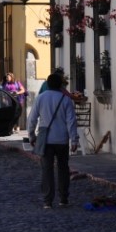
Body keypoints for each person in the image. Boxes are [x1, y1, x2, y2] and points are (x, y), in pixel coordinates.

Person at [27, 71, 79, 209]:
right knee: (63, 169)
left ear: (48, 84)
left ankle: (47, 200)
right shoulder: (65, 99)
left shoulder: (41, 98)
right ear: (61, 85)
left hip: (46, 141)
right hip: (62, 139)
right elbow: (71, 121)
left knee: (47, 170)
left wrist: (31, 136)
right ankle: (63, 198)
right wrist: (74, 140)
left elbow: (32, 119)